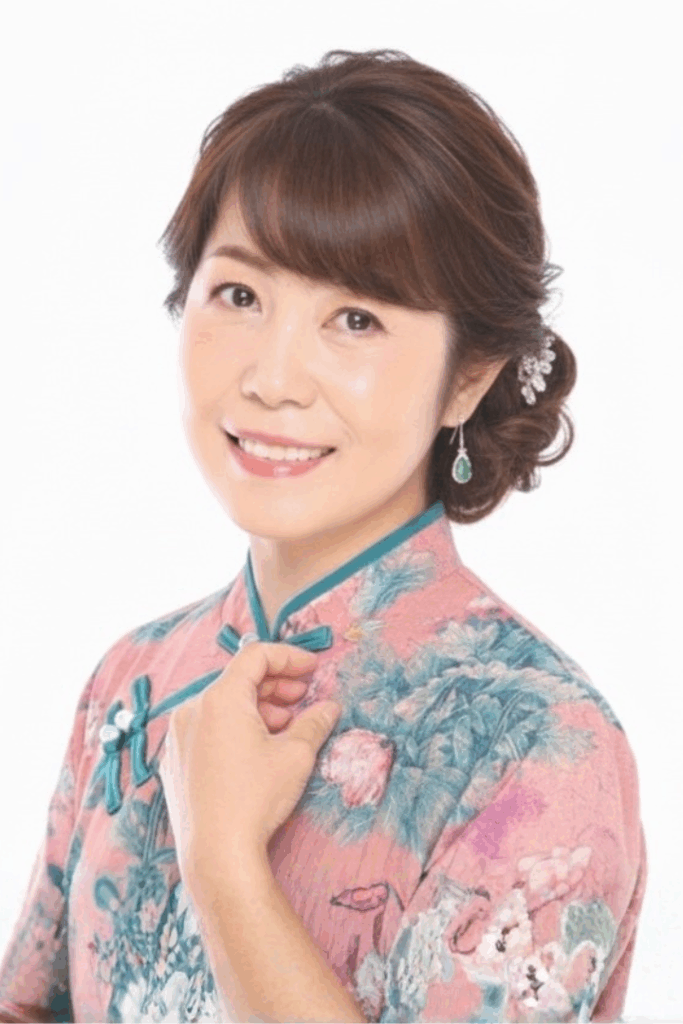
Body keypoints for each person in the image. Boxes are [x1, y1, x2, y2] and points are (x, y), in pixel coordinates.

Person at [0, 48, 646, 1024]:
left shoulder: (537, 748)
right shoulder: (132, 682)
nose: (271, 379)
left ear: (468, 377)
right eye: (240, 296)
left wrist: (224, 862)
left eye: (354, 318)